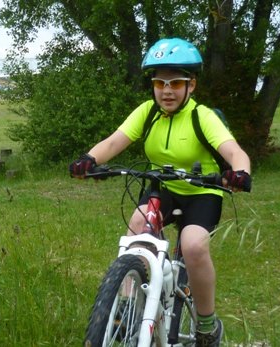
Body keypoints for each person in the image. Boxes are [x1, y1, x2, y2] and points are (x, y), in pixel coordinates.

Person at [69, 37, 251, 346]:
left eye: (176, 83)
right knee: (138, 225)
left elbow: (234, 151)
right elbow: (115, 141)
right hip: (163, 188)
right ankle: (125, 306)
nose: (167, 90)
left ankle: (206, 324)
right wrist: (89, 159)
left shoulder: (201, 116)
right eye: (160, 83)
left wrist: (240, 172)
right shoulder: (147, 112)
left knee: (193, 246)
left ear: (190, 86)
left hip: (202, 192)